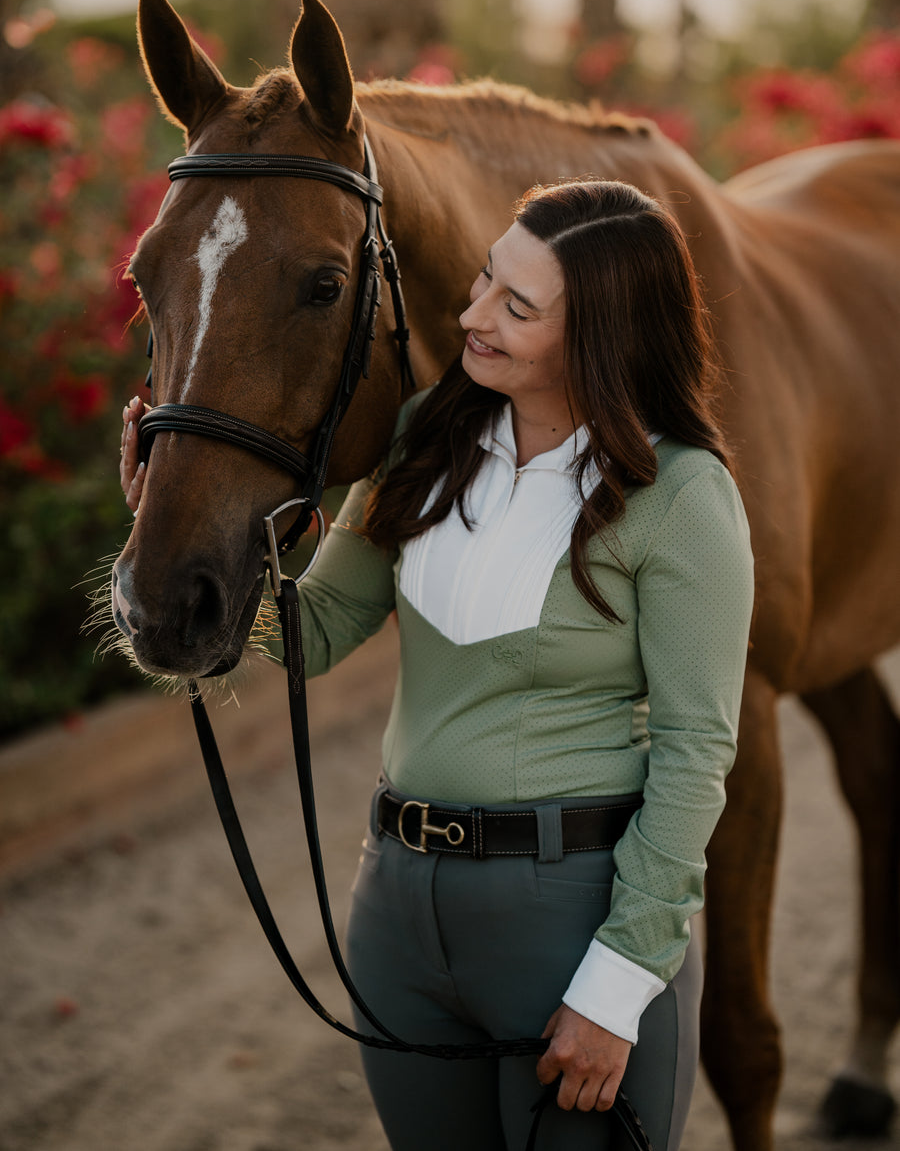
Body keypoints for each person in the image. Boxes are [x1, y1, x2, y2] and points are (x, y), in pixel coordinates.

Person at [120, 179, 754, 1151]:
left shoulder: (678, 495)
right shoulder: (427, 433)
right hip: (398, 914)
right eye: (485, 280)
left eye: (517, 307)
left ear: (601, 337)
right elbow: (318, 629)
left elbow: (694, 753)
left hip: (568, 917)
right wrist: (181, 542)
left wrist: (621, 979)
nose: (472, 316)